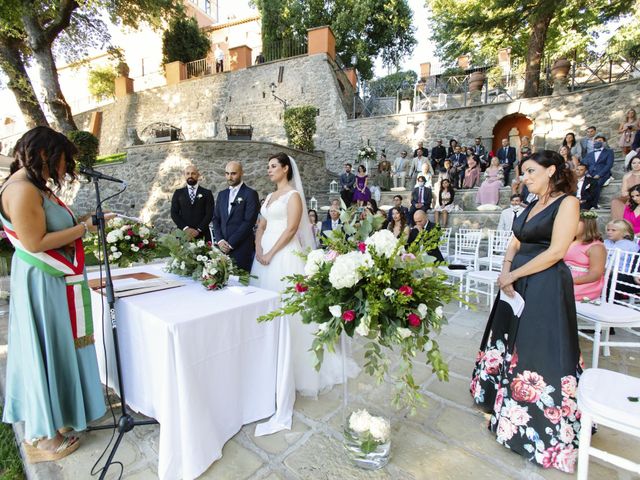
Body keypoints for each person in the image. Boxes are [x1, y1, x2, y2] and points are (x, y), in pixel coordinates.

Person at [470, 150, 582, 474]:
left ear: (551, 170)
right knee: (508, 342)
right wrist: (506, 270)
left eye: (531, 171)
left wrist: (515, 275)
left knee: (537, 350)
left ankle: (537, 430)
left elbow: (557, 251)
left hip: (544, 284)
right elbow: (515, 241)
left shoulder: (568, 203)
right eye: (523, 172)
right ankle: (498, 402)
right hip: (515, 284)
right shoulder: (532, 204)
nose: (525, 178)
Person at [1, 126, 107, 462]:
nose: (65, 170)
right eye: (63, 161)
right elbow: (34, 244)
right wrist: (84, 228)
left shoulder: (33, 186)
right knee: (45, 347)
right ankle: (46, 435)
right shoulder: (21, 190)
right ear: (45, 154)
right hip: (41, 281)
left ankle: (60, 415)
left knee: (58, 346)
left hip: (50, 281)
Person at [250, 153, 354, 434]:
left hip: (284, 257)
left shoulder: (293, 196)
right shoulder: (269, 198)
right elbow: (262, 225)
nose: (269, 170)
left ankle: (297, 368)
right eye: (268, 166)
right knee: (265, 310)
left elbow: (293, 228)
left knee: (291, 311)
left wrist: (271, 251)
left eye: (274, 166)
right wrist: (259, 248)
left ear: (286, 169)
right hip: (263, 258)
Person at [211, 161, 260, 272]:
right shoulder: (222, 194)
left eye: (233, 173)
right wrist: (220, 240)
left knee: (241, 285)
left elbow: (249, 222)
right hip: (222, 248)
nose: (230, 177)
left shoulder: (250, 194)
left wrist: (231, 244)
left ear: (241, 173)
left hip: (241, 248)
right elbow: (216, 219)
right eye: (227, 173)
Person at [564, 212, 606, 301]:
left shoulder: (596, 247)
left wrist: (570, 281)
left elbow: (595, 274)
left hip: (582, 283)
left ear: (587, 225)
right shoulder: (568, 241)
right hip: (563, 276)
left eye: (574, 222)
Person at [171, 165, 215, 242]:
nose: (190, 176)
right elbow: (174, 213)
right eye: (187, 173)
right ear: (184, 175)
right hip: (183, 234)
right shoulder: (178, 193)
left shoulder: (207, 193)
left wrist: (198, 230)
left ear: (198, 175)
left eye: (193, 173)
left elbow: (209, 214)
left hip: (202, 234)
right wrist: (186, 228)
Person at [583, 134, 614, 207]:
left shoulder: (609, 152)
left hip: (603, 173)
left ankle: (593, 204)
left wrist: (599, 174)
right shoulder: (590, 154)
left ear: (604, 142)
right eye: (596, 141)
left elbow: (609, 165)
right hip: (590, 174)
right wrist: (587, 173)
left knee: (596, 184)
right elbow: (584, 164)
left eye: (600, 141)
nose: (597, 142)